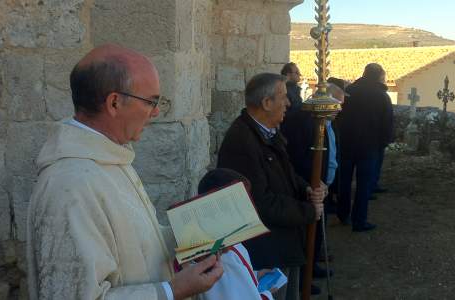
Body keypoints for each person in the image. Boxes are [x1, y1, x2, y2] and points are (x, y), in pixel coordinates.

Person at [26, 44, 223, 300]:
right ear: (115, 103)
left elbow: (133, 247)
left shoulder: (109, 158)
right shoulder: (70, 186)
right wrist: (172, 290)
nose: (156, 112)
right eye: (151, 101)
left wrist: (186, 240)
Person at [216, 72, 327, 300]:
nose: (288, 103)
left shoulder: (266, 132)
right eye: (283, 97)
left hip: (283, 242)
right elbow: (260, 203)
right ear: (267, 103)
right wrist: (308, 211)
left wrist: (307, 187)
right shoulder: (242, 143)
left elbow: (285, 172)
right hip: (267, 251)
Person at [280, 82, 346, 294]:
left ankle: (313, 265)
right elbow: (299, 158)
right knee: (307, 233)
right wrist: (312, 183)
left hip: (322, 188)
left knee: (317, 232)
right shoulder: (306, 123)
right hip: (309, 188)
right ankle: (303, 280)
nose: (340, 110)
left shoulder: (328, 122)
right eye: (337, 105)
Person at [196, 168, 277, 300]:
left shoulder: (225, 243)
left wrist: (254, 275)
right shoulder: (223, 254)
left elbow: (236, 282)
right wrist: (266, 294)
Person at [335, 63, 394, 232]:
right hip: (369, 147)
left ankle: (342, 214)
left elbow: (338, 116)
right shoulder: (382, 96)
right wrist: (382, 143)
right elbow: (387, 123)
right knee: (364, 185)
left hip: (347, 143)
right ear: (378, 76)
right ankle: (359, 221)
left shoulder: (349, 91)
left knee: (344, 181)